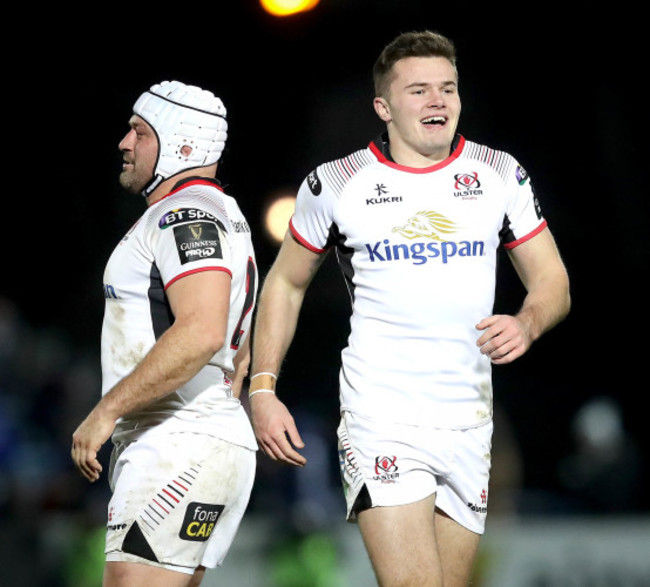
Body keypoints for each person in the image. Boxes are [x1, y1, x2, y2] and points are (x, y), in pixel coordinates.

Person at [249, 31, 571, 586]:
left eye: (447, 88)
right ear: (384, 106)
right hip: (383, 418)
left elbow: (553, 281)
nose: (437, 101)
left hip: (469, 422)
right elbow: (285, 285)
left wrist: (527, 320)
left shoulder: (498, 173)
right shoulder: (336, 184)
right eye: (419, 90)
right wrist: (261, 386)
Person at [71, 80, 259, 587]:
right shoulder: (224, 213)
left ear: (179, 142)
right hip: (195, 436)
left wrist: (107, 409)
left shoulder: (185, 215)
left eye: (138, 131)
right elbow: (235, 354)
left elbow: (202, 331)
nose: (124, 143)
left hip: (178, 440)